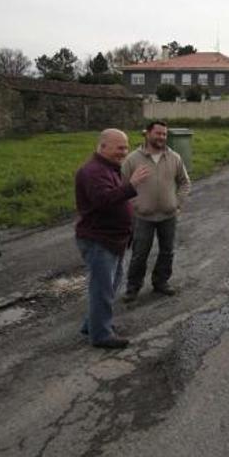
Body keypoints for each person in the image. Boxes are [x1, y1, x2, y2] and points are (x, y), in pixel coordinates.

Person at [75, 129, 150, 349]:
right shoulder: (93, 171)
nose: (124, 152)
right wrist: (132, 185)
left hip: (112, 240)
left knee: (109, 286)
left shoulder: (108, 168)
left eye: (126, 147)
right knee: (103, 288)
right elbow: (103, 200)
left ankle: (93, 325)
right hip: (100, 240)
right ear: (103, 146)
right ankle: (100, 335)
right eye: (119, 147)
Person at [121, 120, 191, 302]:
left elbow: (185, 182)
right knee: (139, 253)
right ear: (148, 134)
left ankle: (161, 282)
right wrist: (134, 204)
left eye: (164, 134)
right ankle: (133, 287)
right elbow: (122, 185)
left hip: (168, 215)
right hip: (142, 216)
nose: (161, 137)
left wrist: (178, 202)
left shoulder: (174, 157)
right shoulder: (132, 159)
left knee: (167, 251)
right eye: (158, 133)